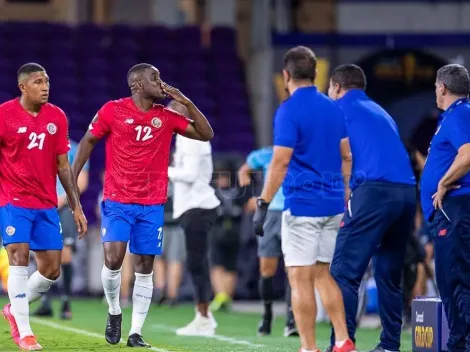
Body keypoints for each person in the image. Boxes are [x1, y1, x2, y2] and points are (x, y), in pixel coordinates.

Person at [71, 64, 214, 347]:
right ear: (137, 84)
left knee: (145, 266)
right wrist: (72, 184)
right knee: (113, 259)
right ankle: (114, 311)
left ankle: (136, 332)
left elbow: (206, 133)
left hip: (152, 204)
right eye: (154, 78)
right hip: (117, 199)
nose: (160, 83)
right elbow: (87, 142)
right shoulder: (113, 110)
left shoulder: (168, 116)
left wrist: (185, 101)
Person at [252, 46, 355, 352]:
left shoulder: (289, 109)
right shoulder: (334, 108)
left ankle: (309, 348)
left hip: (302, 206)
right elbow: (347, 156)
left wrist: (263, 202)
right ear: (315, 73)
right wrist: (344, 191)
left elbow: (281, 161)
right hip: (332, 204)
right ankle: (342, 340)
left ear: (286, 75)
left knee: (299, 278)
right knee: (323, 274)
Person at [327, 64, 416, 352]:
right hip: (404, 192)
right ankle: (390, 344)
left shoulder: (339, 108)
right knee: (389, 274)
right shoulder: (382, 112)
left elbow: (346, 155)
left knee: (343, 272)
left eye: (329, 89)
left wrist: (345, 193)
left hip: (372, 190)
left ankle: (341, 344)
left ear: (337, 86)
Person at [0, 63, 87, 351]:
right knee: (19, 257)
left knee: (52, 270)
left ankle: (13, 308)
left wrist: (76, 206)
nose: (45, 86)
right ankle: (25, 332)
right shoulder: (4, 115)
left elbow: (64, 166)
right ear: (23, 86)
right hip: (13, 201)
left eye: (47, 80)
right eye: (38, 81)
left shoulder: (57, 117)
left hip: (46, 203)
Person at [420, 64, 470, 352]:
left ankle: (461, 342)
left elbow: (467, 154)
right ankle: (459, 340)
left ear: (442, 87)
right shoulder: (453, 115)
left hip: (455, 207)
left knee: (456, 277)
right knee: (450, 277)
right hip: (451, 209)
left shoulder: (460, 113)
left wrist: (443, 182)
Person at [166, 100, 220, 337]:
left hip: (198, 207)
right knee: (197, 263)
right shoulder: (184, 138)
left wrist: (161, 170)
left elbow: (189, 175)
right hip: (192, 207)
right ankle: (204, 315)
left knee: (197, 263)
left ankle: (204, 317)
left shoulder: (192, 139)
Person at [238, 147, 298, 337]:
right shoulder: (264, 155)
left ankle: (291, 320)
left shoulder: (301, 153)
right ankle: (267, 316)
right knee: (267, 269)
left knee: (294, 269)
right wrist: (250, 197)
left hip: (294, 212)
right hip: (271, 213)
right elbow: (243, 171)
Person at [33, 139, 90, 319]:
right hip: (43, 205)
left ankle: (66, 302)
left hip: (65, 207)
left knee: (65, 254)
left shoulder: (75, 149)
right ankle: (45, 303)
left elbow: (82, 181)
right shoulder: (40, 146)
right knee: (41, 253)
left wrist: (63, 199)